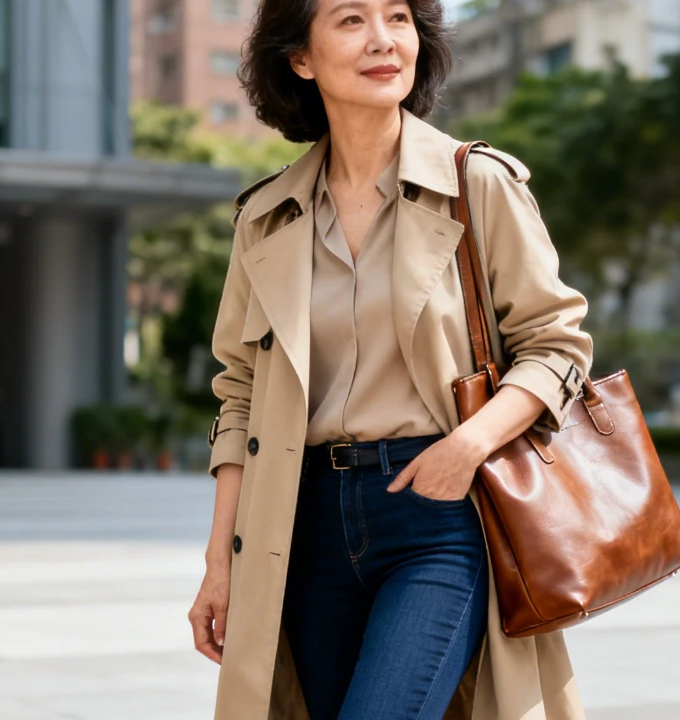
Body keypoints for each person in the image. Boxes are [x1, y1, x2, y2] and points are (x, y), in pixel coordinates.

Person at [185, 1, 594, 718]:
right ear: (300, 59)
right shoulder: (266, 216)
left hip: (439, 516)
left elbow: (556, 345)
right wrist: (222, 561)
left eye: (398, 17)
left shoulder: (477, 184)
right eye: (351, 19)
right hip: (300, 526)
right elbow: (240, 395)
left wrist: (465, 447)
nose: (383, 40)